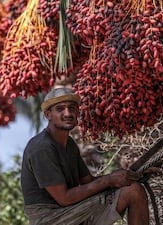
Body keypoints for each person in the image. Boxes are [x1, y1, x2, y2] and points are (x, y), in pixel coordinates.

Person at [21, 87, 151, 225]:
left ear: (77, 112)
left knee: (133, 188)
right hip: (51, 218)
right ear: (48, 115)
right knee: (133, 192)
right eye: (60, 109)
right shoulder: (42, 148)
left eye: (72, 108)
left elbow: (88, 182)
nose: (67, 113)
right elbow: (64, 198)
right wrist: (109, 180)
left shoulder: (69, 144)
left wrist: (133, 174)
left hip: (70, 211)